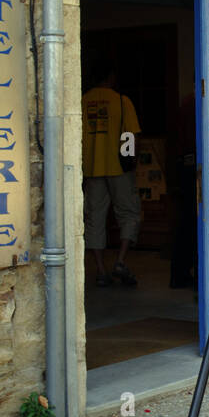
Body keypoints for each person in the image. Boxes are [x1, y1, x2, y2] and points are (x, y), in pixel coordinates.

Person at [81, 59, 141, 286]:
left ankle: (99, 269)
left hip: (92, 168)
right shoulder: (121, 101)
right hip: (119, 168)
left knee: (94, 219)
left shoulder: (83, 101)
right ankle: (120, 261)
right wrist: (133, 161)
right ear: (111, 77)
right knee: (128, 213)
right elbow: (132, 135)